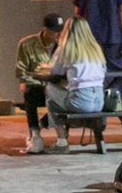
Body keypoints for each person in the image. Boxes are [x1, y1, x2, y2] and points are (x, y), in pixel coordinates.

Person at [41, 16, 106, 152]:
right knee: (65, 94)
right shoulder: (96, 49)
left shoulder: (66, 49)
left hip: (80, 101)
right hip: (99, 101)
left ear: (67, 31)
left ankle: (62, 141)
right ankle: (58, 131)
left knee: (50, 94)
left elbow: (54, 70)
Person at [15, 13, 65, 154]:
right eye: (54, 31)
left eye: (59, 31)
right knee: (29, 92)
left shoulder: (63, 46)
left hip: (57, 87)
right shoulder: (27, 44)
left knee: (60, 96)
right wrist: (36, 81)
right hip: (37, 87)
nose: (57, 34)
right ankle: (35, 132)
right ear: (45, 29)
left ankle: (46, 128)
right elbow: (21, 72)